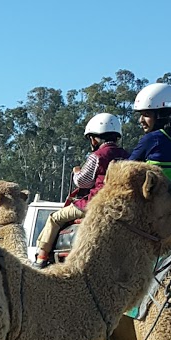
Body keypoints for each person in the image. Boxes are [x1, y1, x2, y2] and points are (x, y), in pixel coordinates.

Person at [35, 113, 127, 267]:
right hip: (117, 206)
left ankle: (41, 257)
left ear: (94, 138)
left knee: (55, 218)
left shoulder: (97, 156)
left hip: (93, 204)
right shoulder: (127, 155)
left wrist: (77, 172)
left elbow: (83, 182)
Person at [127, 83, 171, 180]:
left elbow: (126, 169)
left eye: (146, 114)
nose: (141, 120)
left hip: (155, 192)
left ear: (161, 115)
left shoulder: (151, 139)